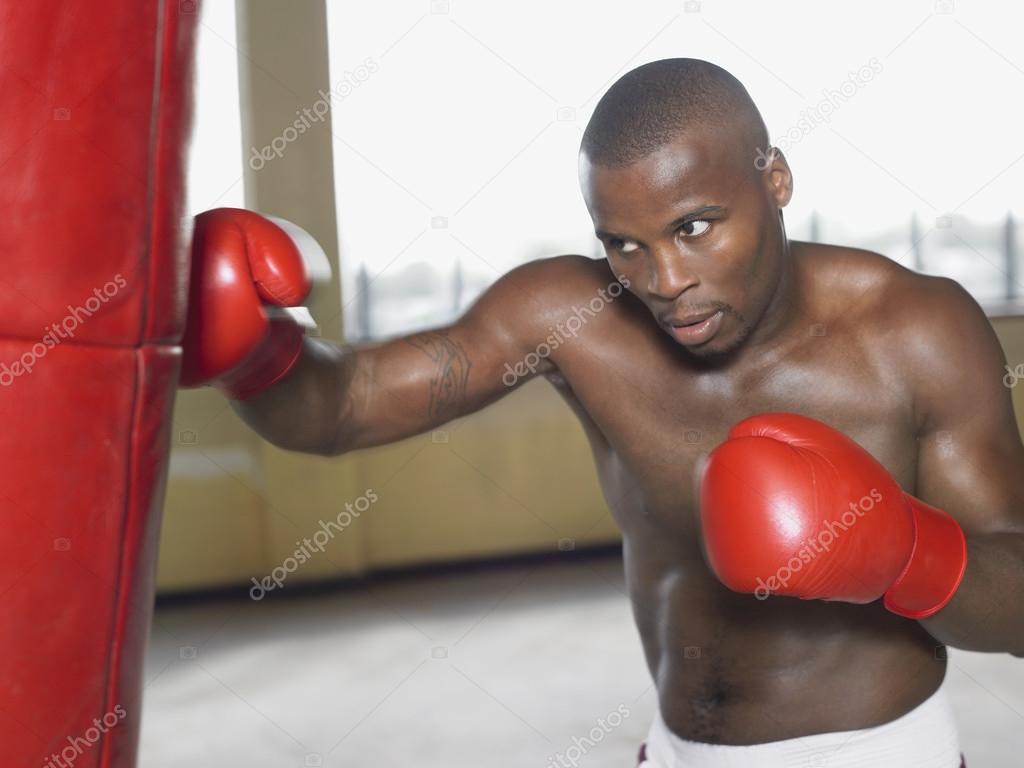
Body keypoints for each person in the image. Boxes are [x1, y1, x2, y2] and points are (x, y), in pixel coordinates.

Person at [180, 59, 1024, 767]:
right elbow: (344, 408)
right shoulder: (570, 317)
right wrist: (261, 353)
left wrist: (903, 550)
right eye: (625, 242)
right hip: (671, 749)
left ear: (774, 179)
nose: (664, 280)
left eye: (696, 226)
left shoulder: (916, 331)